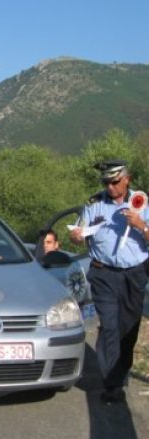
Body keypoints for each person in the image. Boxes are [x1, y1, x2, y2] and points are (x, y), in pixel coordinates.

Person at [70, 160, 148, 404]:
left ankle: (120, 372)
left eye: (115, 182)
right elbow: (79, 235)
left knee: (128, 328)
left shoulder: (142, 202)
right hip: (103, 273)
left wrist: (141, 226)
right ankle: (112, 384)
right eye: (106, 182)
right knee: (110, 326)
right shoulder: (94, 205)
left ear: (127, 179)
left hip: (134, 273)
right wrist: (75, 237)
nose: (110, 187)